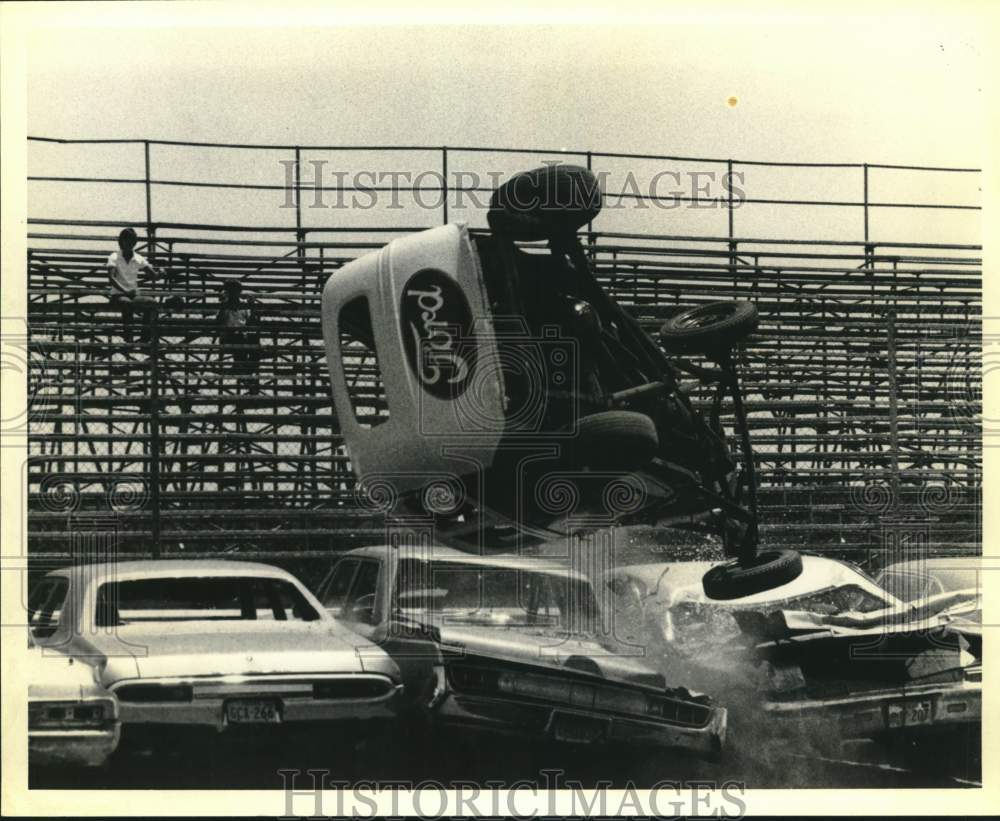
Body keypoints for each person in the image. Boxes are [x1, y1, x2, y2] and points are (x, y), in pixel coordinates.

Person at [107, 227, 160, 343]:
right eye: (127, 240)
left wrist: (159, 273)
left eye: (132, 241)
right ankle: (128, 337)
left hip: (133, 295)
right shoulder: (114, 257)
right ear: (122, 241)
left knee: (153, 303)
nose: (129, 244)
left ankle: (144, 339)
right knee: (126, 303)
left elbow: (152, 274)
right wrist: (125, 291)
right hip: (118, 295)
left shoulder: (138, 258)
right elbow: (111, 278)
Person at [216, 279, 261, 392]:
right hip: (228, 336)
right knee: (240, 338)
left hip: (242, 335)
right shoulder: (224, 305)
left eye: (235, 291)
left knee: (255, 341)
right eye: (231, 291)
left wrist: (252, 307)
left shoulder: (243, 306)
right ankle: (245, 374)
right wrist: (223, 305)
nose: (234, 293)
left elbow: (251, 320)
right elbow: (219, 320)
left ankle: (246, 372)